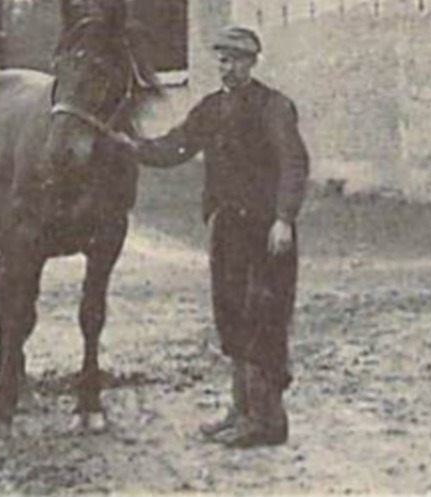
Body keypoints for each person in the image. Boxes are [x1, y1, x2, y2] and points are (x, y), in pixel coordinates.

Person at [115, 25, 309, 448]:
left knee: (265, 319)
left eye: (236, 59)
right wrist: (131, 146)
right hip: (227, 230)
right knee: (232, 315)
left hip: (267, 233)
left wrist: (284, 219)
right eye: (222, 58)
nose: (228, 66)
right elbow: (176, 146)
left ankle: (267, 420)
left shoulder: (274, 107)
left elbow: (294, 165)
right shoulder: (210, 109)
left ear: (252, 62)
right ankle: (240, 411)